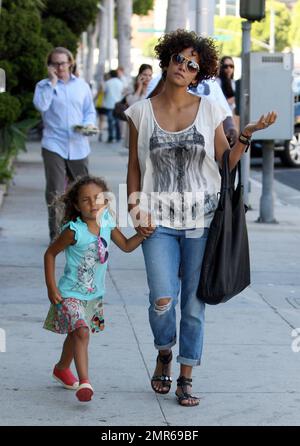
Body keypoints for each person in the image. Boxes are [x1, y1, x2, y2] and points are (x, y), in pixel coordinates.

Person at [125, 29, 276, 407]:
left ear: (199, 74)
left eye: (193, 65)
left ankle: (186, 373)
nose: (184, 67)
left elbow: (226, 163)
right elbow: (133, 167)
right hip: (156, 223)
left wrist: (246, 136)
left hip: (202, 223)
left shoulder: (210, 108)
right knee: (161, 299)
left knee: (193, 304)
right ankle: (164, 351)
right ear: (167, 60)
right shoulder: (140, 113)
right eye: (179, 59)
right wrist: (133, 208)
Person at [43, 175, 154, 402]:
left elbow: (125, 246)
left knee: (76, 333)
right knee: (82, 332)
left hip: (93, 296)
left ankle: (62, 368)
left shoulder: (106, 224)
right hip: (69, 294)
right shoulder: (74, 231)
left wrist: (141, 235)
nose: (93, 204)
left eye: (98, 198)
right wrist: (51, 287)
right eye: (85, 200)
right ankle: (85, 382)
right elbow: (50, 254)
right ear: (76, 205)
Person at [33, 47, 97, 243]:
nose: (59, 67)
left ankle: (81, 233)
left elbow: (89, 111)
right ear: (50, 66)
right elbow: (41, 106)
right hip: (54, 143)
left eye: (63, 63)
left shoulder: (82, 86)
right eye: (55, 63)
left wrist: (87, 125)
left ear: (70, 62)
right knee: (55, 190)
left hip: (79, 144)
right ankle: (56, 235)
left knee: (83, 191)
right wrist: (52, 84)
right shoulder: (43, 86)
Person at [103, 70, 124, 143]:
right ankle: (118, 136)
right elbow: (122, 93)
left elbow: (104, 92)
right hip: (118, 104)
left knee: (110, 121)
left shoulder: (107, 83)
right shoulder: (120, 82)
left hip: (109, 104)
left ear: (110, 75)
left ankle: (111, 137)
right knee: (117, 121)